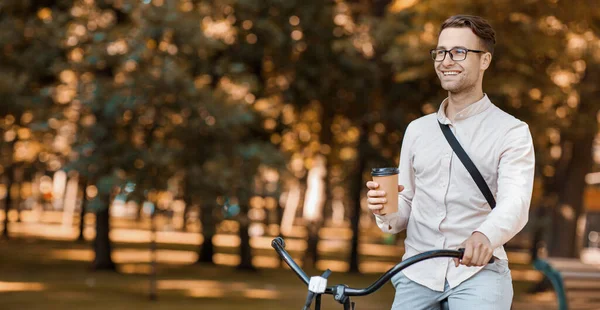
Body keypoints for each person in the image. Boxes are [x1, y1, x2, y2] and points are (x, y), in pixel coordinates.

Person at [366, 15, 535, 310]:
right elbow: (405, 206)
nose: (446, 61)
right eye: (441, 52)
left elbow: (515, 202)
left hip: (478, 274)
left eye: (459, 52)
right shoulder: (417, 130)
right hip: (417, 274)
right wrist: (386, 208)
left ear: (485, 60)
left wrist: (485, 235)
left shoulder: (511, 131)